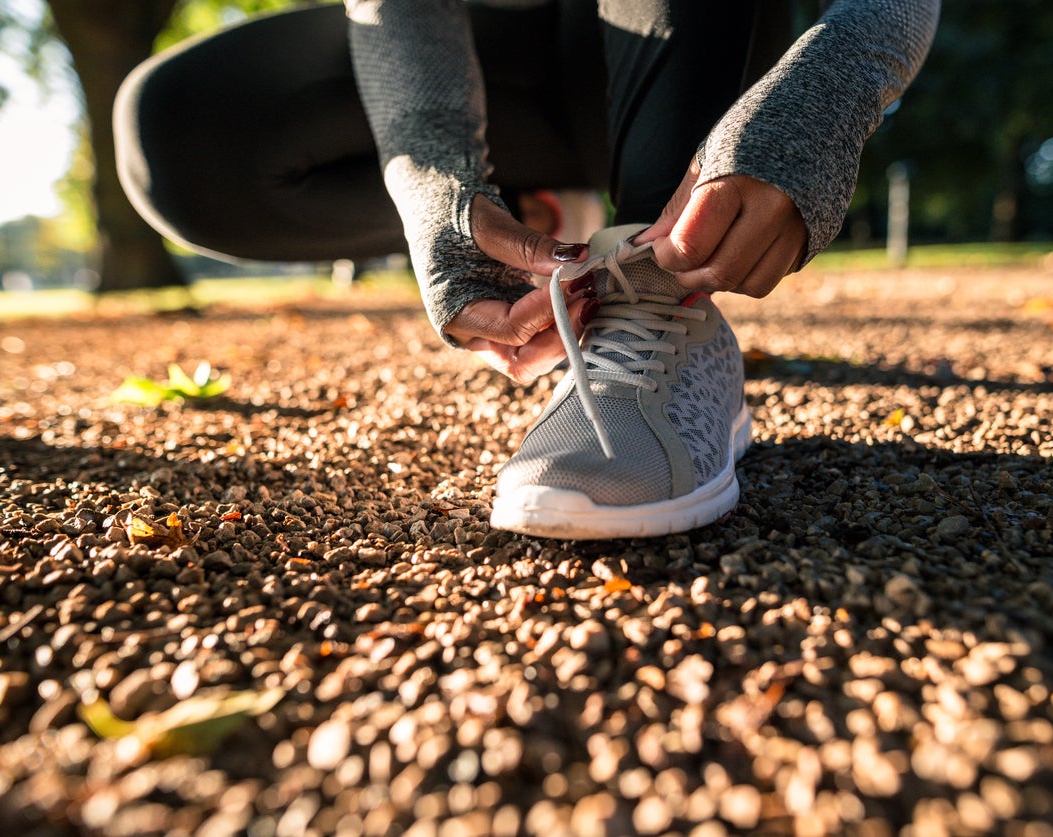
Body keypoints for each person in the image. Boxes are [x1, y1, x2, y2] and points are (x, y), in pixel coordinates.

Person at [114, 0, 939, 540]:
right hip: (516, 58)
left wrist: (829, 94)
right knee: (178, 135)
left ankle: (661, 296)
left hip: (716, 38)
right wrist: (438, 187)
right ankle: (546, 215)